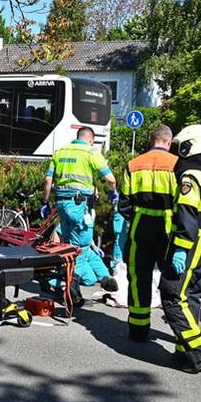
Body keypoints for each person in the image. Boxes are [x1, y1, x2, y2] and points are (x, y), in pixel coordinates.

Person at [159, 124, 201, 373]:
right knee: (190, 295)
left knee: (173, 295)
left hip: (190, 241)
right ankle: (184, 354)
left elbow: (187, 214)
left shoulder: (190, 176)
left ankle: (199, 349)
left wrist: (181, 248)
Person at [42, 127, 118, 306]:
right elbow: (111, 179)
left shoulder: (60, 152)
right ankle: (69, 290)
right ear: (90, 140)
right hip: (80, 206)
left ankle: (105, 277)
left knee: (72, 246)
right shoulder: (91, 151)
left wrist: (45, 202)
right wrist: (113, 192)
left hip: (62, 204)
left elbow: (48, 180)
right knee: (81, 248)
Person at [118, 124, 178, 342]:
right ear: (169, 142)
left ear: (150, 140)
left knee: (138, 277)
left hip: (140, 227)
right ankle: (178, 329)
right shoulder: (177, 164)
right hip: (168, 229)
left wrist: (137, 216)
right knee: (173, 280)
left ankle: (138, 328)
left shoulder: (133, 164)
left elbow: (123, 204)